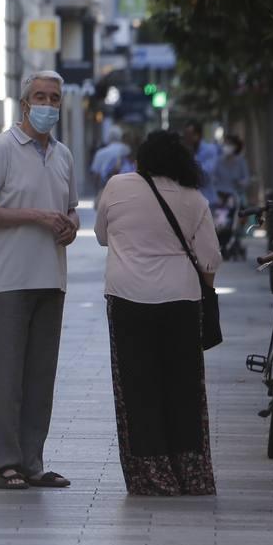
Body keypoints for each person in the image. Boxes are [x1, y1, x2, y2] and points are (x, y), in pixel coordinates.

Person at [0, 71, 79, 491]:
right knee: (7, 377)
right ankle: (5, 464)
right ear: (24, 103)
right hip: (10, 279)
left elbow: (71, 210)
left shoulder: (64, 155)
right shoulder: (1, 149)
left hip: (52, 277)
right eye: (40, 97)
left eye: (54, 97)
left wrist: (70, 224)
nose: (48, 104)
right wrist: (34, 216)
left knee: (39, 378)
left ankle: (33, 461)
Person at [95, 130, 220, 496]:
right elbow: (210, 259)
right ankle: (190, 473)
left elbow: (102, 236)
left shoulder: (117, 187)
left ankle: (151, 475)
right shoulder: (194, 198)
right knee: (182, 387)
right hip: (181, 302)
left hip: (127, 299)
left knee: (136, 387)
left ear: (142, 159)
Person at [182, 121, 220, 204]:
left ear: (198, 135)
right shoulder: (184, 151)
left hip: (207, 198)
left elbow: (206, 174)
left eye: (190, 135)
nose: (187, 137)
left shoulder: (210, 150)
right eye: (186, 134)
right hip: (189, 200)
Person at [90, 130, 131, 194]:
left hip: (105, 188)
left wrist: (97, 191)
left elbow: (96, 174)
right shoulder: (126, 149)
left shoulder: (100, 153)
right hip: (125, 187)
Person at [212, 134, 249, 202]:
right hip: (221, 197)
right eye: (225, 144)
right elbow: (213, 177)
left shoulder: (241, 161)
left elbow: (246, 179)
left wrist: (241, 183)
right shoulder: (219, 161)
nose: (226, 146)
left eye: (229, 144)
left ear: (235, 146)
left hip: (237, 196)